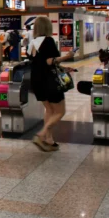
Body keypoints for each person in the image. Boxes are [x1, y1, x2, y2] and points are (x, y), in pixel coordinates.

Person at [29, 16, 74, 152]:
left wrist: (63, 68)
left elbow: (39, 62)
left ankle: (49, 139)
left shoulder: (32, 43)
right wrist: (68, 56)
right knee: (60, 111)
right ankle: (41, 134)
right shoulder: (48, 41)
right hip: (49, 81)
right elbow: (49, 61)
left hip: (36, 80)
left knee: (49, 109)